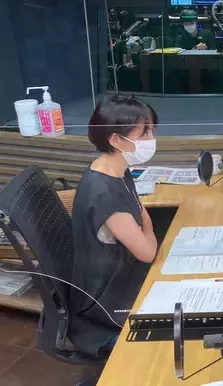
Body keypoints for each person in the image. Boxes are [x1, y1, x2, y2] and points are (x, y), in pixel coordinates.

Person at [68, 95, 159, 357]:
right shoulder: (103, 192)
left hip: (119, 276)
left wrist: (145, 229)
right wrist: (147, 231)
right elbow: (147, 252)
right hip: (103, 308)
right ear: (116, 139)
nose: (152, 139)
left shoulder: (115, 169)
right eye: (144, 133)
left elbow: (140, 213)